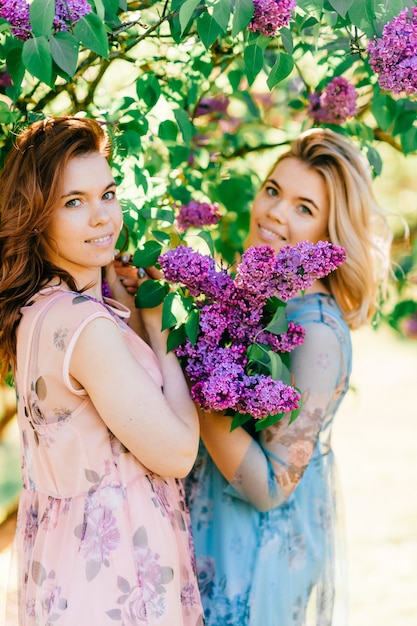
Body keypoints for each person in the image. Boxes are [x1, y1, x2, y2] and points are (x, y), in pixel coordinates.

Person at [0, 116, 205, 625]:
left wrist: (125, 307)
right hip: (117, 580)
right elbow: (178, 452)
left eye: (108, 194)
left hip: (68, 569)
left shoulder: (39, 310)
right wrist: (159, 328)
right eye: (74, 202)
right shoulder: (85, 325)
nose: (102, 218)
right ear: (36, 216)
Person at [183, 128, 392, 625]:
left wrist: (197, 383)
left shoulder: (315, 333)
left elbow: (272, 486)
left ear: (328, 233)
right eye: (273, 190)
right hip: (205, 533)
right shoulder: (253, 296)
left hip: (253, 567)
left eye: (304, 208)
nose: (275, 212)